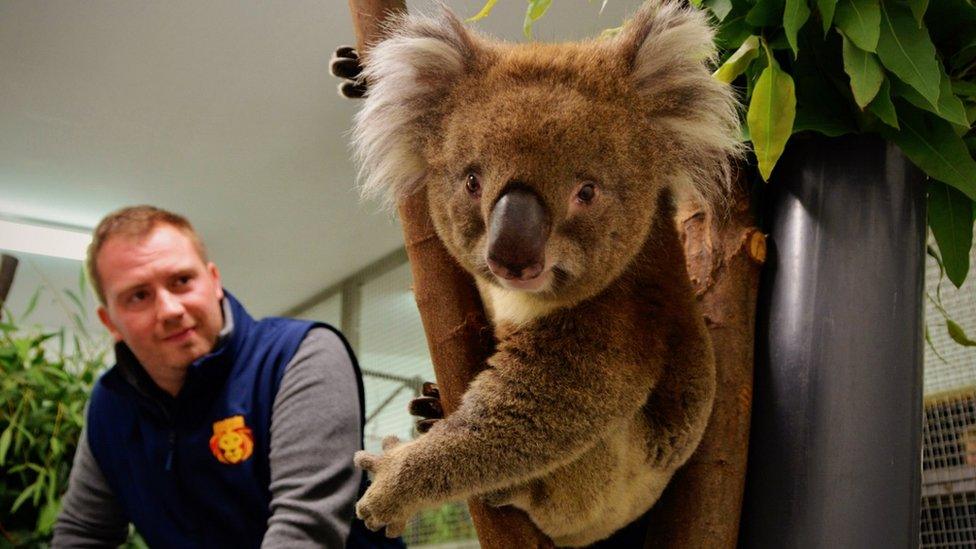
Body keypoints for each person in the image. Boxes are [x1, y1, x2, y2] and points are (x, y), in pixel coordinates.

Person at [53, 205, 399, 548]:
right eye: (139, 295)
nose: (171, 310)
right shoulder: (112, 403)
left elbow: (304, 531)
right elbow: (81, 535)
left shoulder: (298, 355)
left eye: (182, 281)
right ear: (110, 322)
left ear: (214, 280)